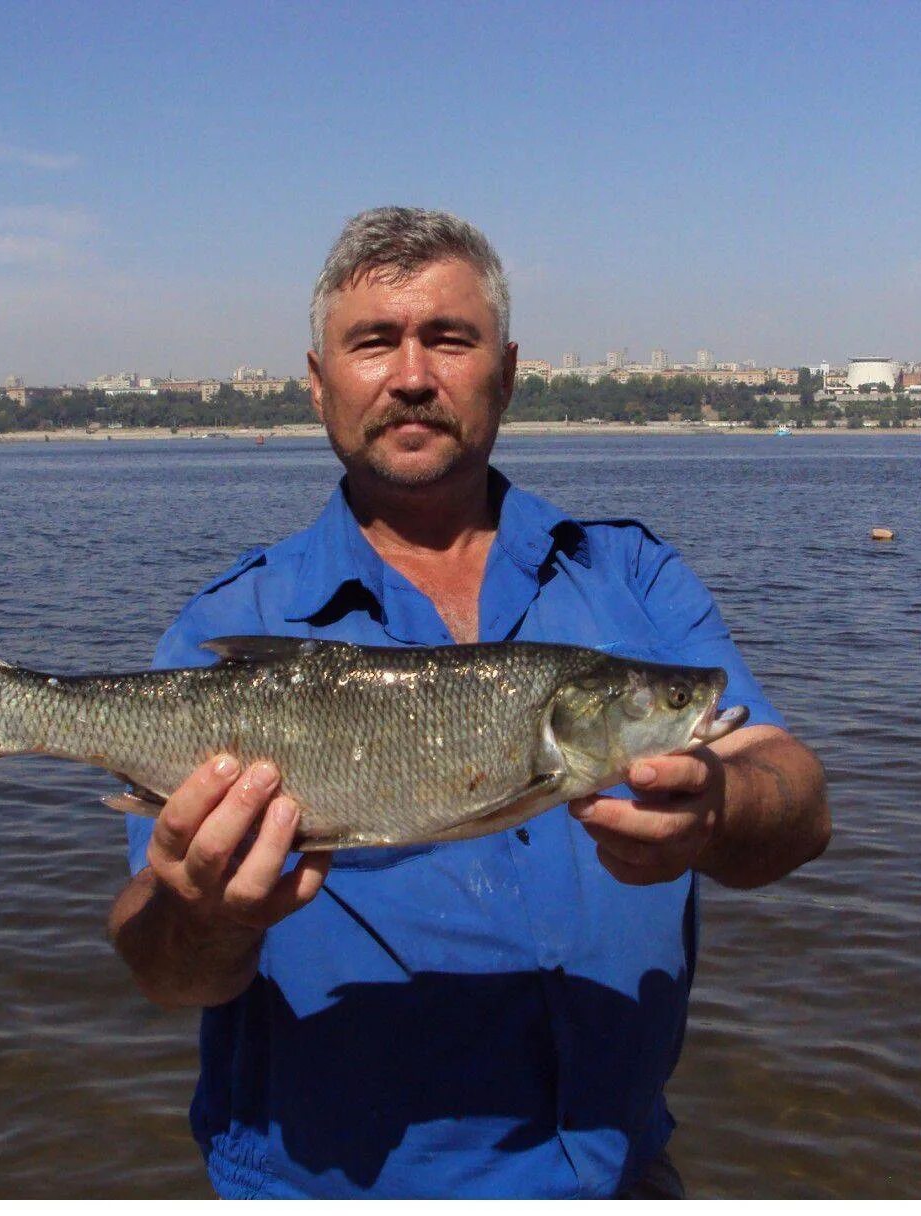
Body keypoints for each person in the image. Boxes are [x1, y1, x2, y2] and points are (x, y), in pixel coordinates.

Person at [107, 207, 830, 1198]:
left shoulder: (633, 575)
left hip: (620, 1174)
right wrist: (206, 913)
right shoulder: (228, 621)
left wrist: (718, 809)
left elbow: (796, 800)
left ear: (508, 369)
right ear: (319, 383)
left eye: (449, 338)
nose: (411, 375)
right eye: (373, 342)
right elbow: (162, 970)